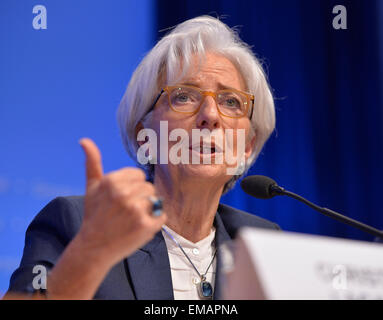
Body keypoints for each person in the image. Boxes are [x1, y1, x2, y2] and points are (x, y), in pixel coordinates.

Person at [6, 15, 279, 300]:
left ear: (247, 146)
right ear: (144, 136)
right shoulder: (76, 223)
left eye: (231, 101)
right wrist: (90, 252)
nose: (210, 115)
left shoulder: (263, 242)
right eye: (185, 96)